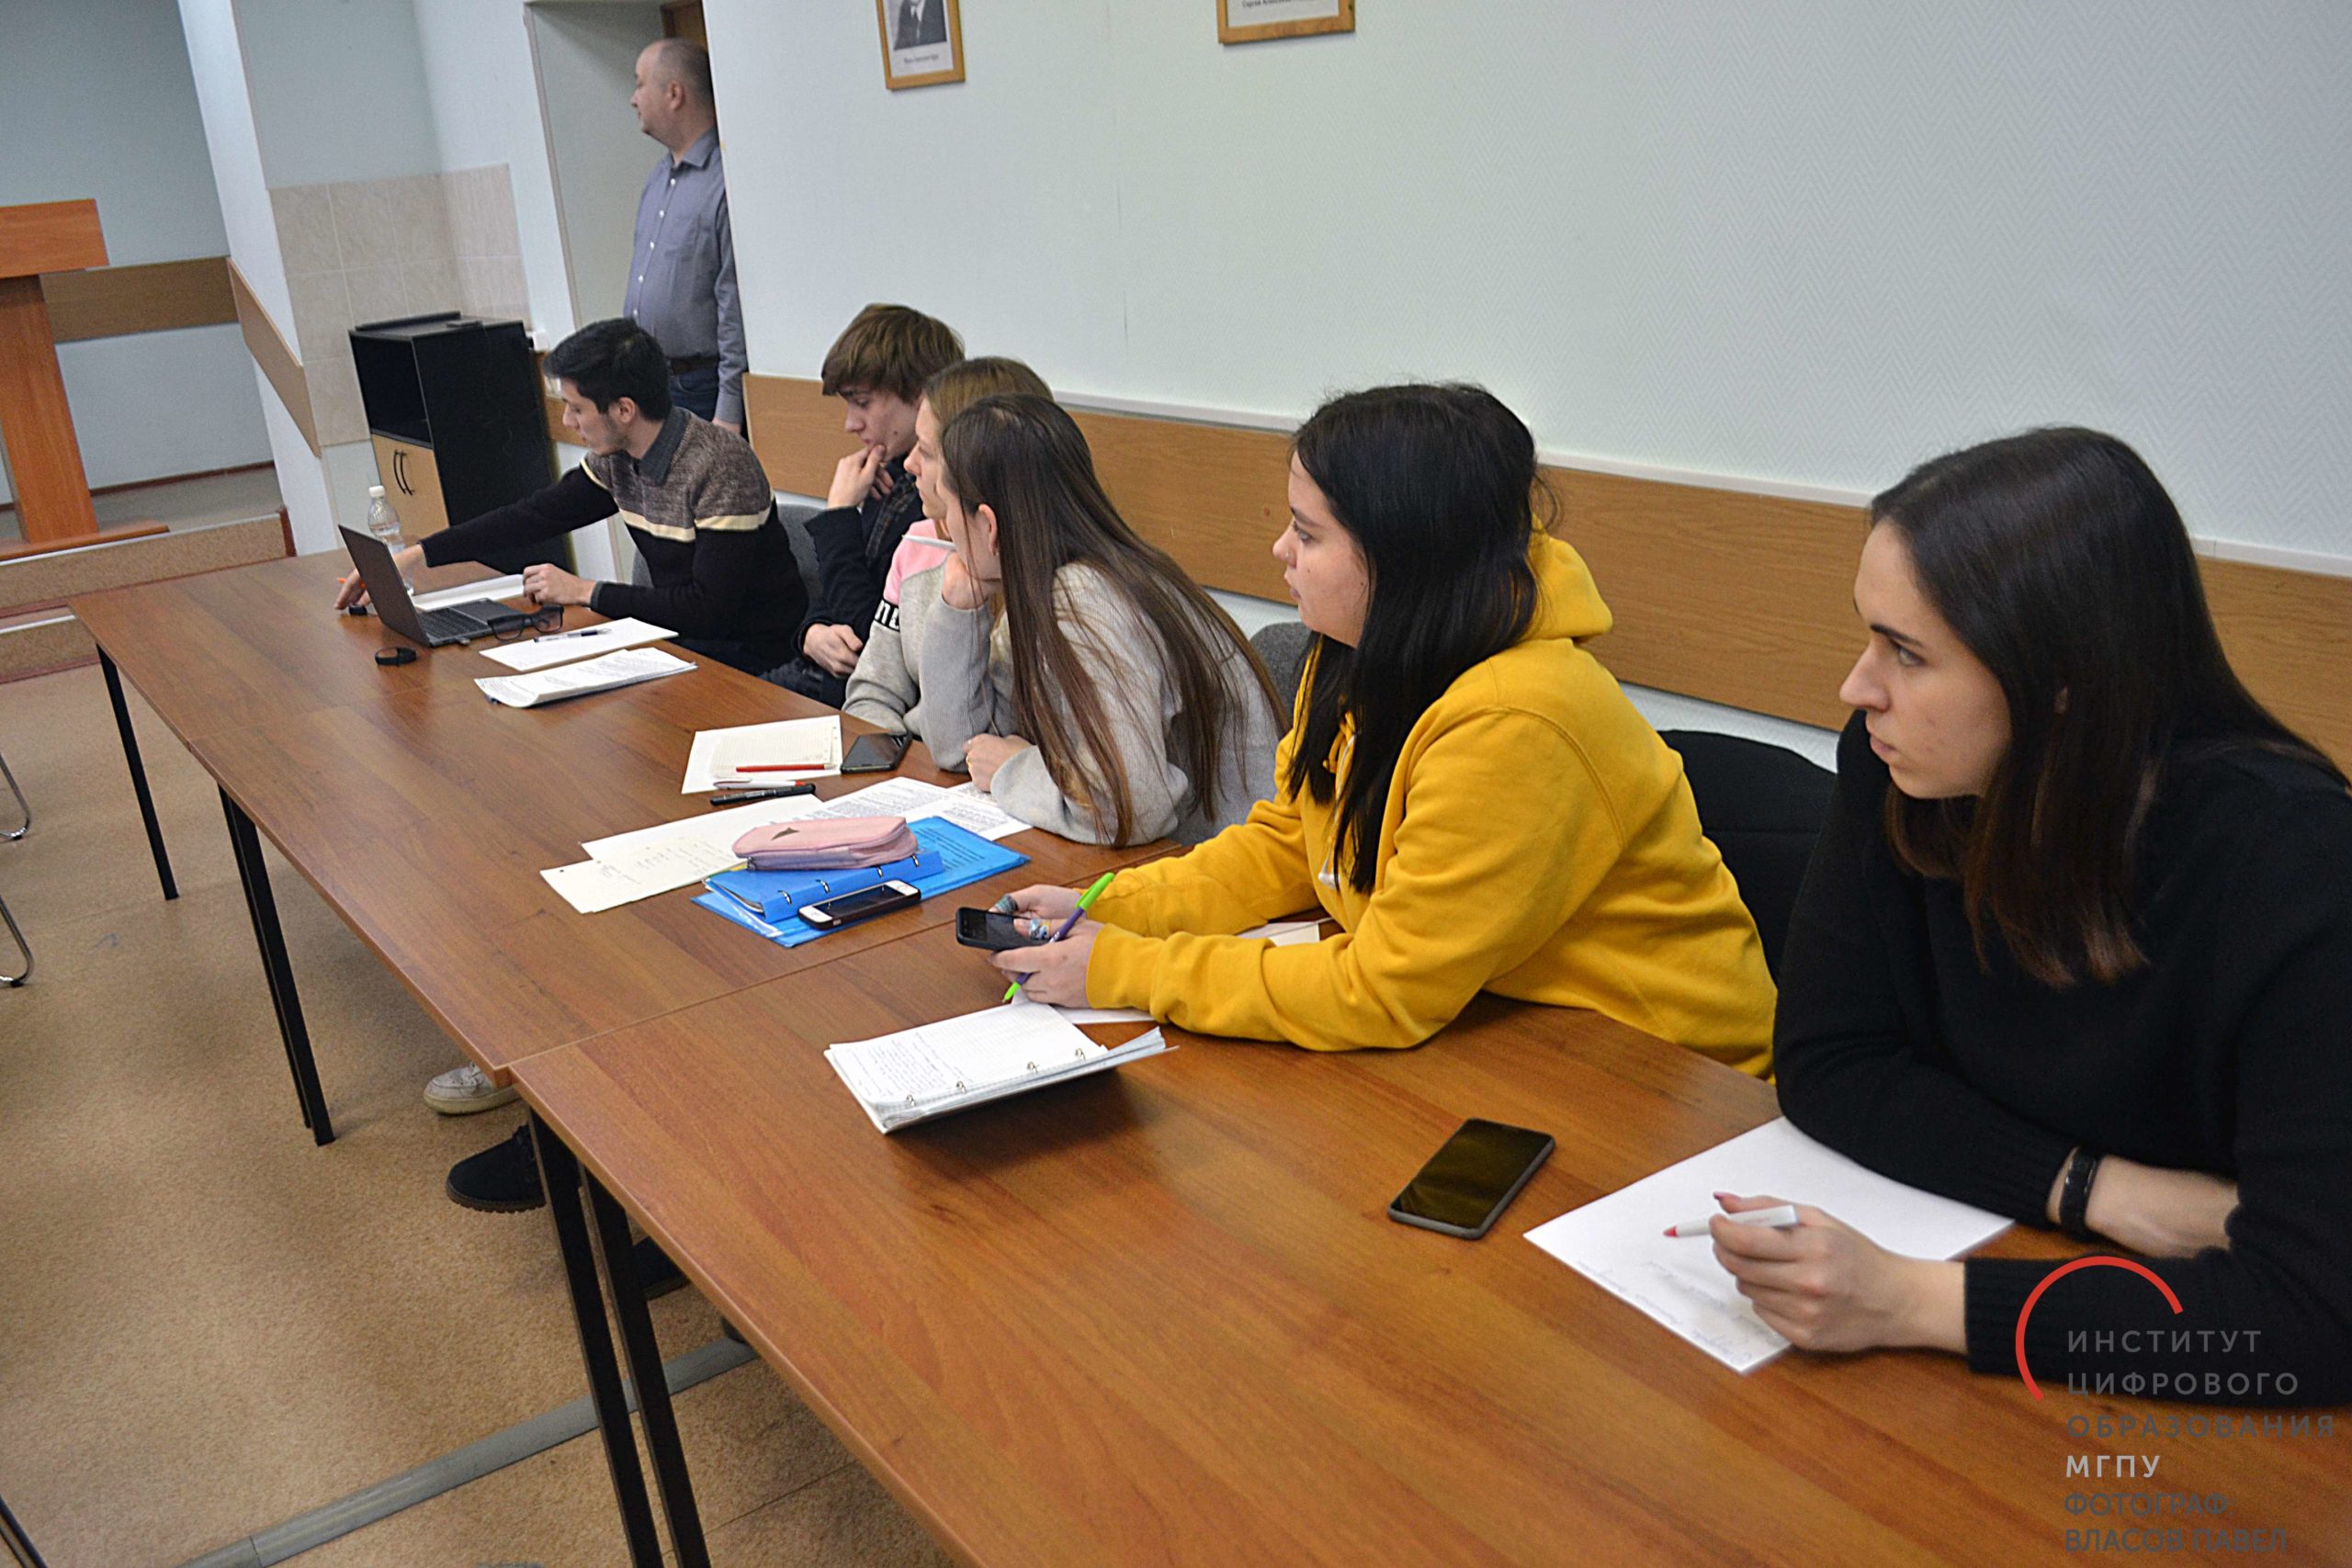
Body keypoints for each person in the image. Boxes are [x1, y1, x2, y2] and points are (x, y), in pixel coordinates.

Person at [1708, 428, 2352, 1406]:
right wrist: (2098, 1190)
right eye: (1870, 636)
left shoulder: (2295, 861)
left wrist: (1913, 1302)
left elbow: (2309, 1323)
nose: (1858, 687)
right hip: (2062, 1265)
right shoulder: (1898, 770)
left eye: (1907, 653)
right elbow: (1827, 1060)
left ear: (2060, 686)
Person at [985, 383, 1777, 1063]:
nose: (1280, 549)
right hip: (1511, 1032)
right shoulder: (1356, 653)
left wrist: (1126, 969)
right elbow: (1288, 845)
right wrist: (1108, 909)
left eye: (1308, 533)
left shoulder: (1518, 719)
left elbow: (1383, 990)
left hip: (1671, 1082)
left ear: (1402, 556)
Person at [890, 391, 1282, 846]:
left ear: (990, 526)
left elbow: (1130, 807)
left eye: (949, 511)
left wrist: (1014, 768)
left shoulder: (1088, 599)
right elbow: (962, 749)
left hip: (1226, 868)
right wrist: (960, 605)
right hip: (1175, 862)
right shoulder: (1046, 587)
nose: (947, 530)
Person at [335, 318, 805, 687]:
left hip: (752, 664)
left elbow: (709, 609)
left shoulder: (719, 465)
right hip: (680, 648)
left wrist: (584, 591)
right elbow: (534, 516)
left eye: (577, 408)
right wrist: (417, 555)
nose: (567, 421)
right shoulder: (618, 457)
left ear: (624, 409)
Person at [762, 305, 963, 706]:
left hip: (860, 695)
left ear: (920, 396)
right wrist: (811, 633)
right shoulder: (886, 474)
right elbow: (837, 593)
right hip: (821, 676)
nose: (850, 423)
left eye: (863, 403)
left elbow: (872, 635)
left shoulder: (936, 506)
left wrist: (839, 515)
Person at [842, 355, 1051, 732]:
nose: (909, 465)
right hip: (917, 759)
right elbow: (872, 691)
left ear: (974, 463)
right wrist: (891, 756)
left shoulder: (1050, 589)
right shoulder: (917, 544)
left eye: (926, 451)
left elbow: (999, 736)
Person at [625, 39, 743, 433]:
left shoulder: (724, 180)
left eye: (640, 84)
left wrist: (729, 412)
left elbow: (733, 304)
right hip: (651, 383)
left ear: (674, 94)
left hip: (702, 388)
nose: (633, 99)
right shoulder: (657, 179)